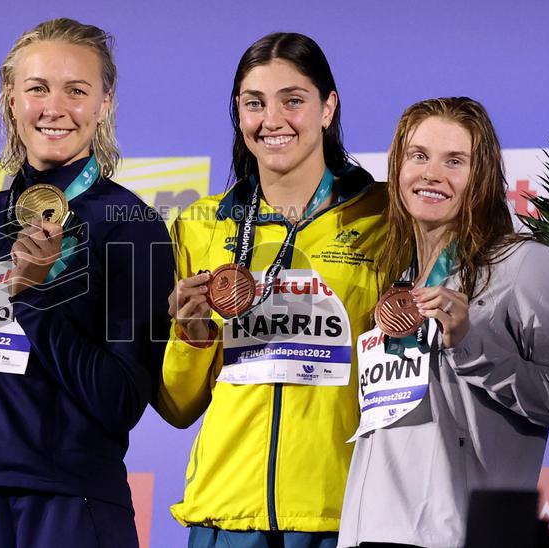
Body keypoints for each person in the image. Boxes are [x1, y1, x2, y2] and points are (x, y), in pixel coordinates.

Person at [0, 18, 173, 548]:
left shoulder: (129, 223)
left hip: (63, 502)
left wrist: (33, 295)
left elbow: (121, 399)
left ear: (104, 104)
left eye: (76, 90)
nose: (54, 108)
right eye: (37, 88)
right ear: (11, 99)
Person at [154, 32, 388, 548]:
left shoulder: (384, 218)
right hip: (225, 512)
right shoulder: (200, 225)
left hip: (341, 511)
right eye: (254, 103)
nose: (272, 119)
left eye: (293, 100)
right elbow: (177, 406)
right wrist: (192, 336)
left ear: (328, 108)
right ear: (239, 114)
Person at [336, 97, 549, 548]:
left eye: (454, 161)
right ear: (397, 166)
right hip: (371, 531)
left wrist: (471, 346)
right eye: (419, 156)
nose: (431, 174)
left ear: (482, 177)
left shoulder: (523, 264)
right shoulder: (394, 274)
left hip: (462, 533)